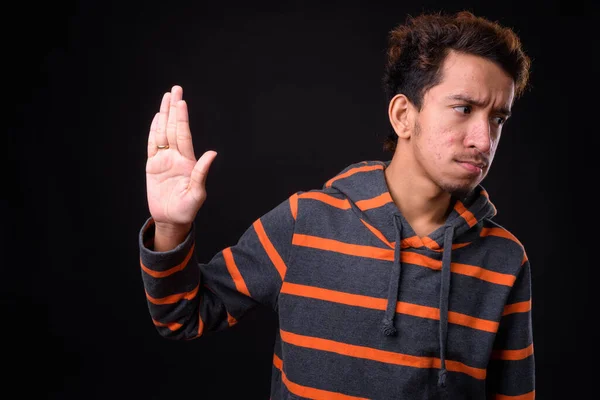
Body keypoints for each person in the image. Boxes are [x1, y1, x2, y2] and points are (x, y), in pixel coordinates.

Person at [138, 10, 534, 400]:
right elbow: (181, 317)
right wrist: (171, 226)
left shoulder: (504, 260)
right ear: (403, 116)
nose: (483, 140)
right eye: (464, 109)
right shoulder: (304, 222)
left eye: (498, 118)